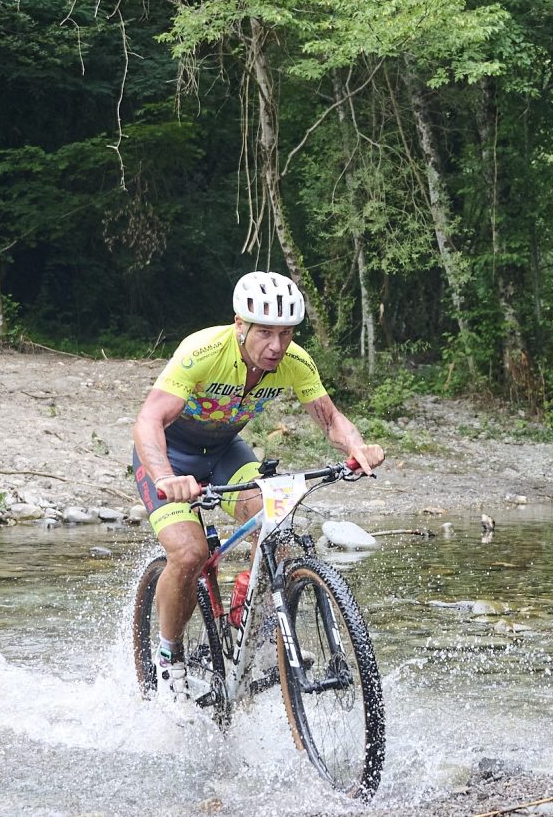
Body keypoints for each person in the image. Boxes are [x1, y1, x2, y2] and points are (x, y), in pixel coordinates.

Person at [132, 271, 384, 709]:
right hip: (171, 459)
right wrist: (164, 476)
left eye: (286, 334)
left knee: (279, 532)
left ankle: (246, 623)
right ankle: (169, 654)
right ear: (240, 325)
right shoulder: (202, 352)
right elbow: (149, 420)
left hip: (226, 453)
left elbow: (330, 419)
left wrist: (357, 447)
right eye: (265, 332)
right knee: (189, 554)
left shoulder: (295, 361)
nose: (276, 346)